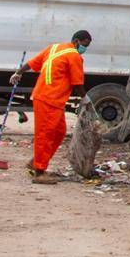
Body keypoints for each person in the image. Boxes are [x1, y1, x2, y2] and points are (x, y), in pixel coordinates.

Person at [10, 30, 90, 184]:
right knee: (45, 135)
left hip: (50, 98)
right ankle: (39, 172)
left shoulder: (53, 48)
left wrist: (19, 72)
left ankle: (36, 162)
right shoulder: (74, 56)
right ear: (77, 41)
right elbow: (77, 83)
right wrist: (85, 99)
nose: (85, 49)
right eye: (85, 45)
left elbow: (32, 63)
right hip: (50, 99)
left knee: (59, 132)